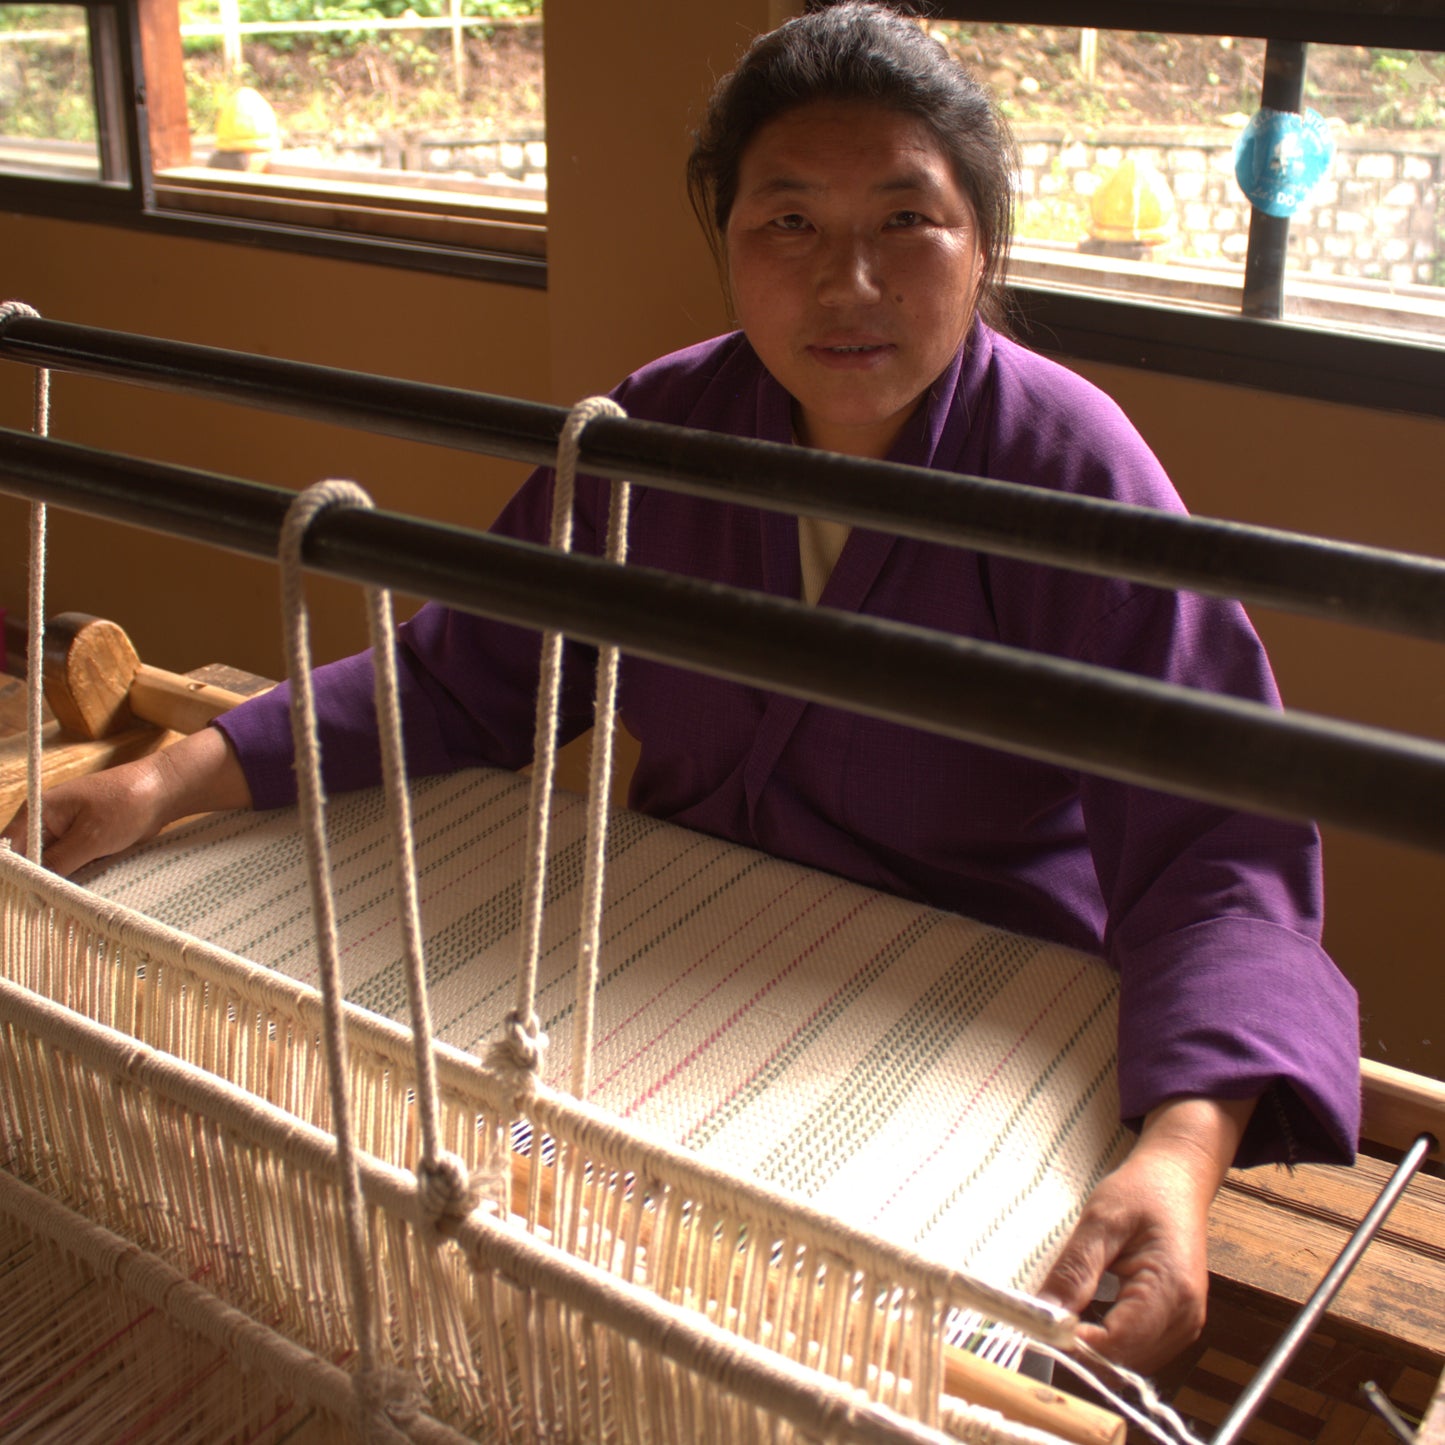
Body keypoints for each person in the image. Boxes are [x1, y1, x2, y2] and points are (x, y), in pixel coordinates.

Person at [4, 0, 1358, 1376]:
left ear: (983, 243)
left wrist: (1184, 1147)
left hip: (967, 1022)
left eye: (906, 220)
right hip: (677, 991)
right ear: (725, 245)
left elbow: (1216, 839)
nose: (849, 281)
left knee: (824, 1338)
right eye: (788, 224)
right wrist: (169, 776)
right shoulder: (655, 435)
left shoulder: (1070, 471)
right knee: (485, 1154)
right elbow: (469, 668)